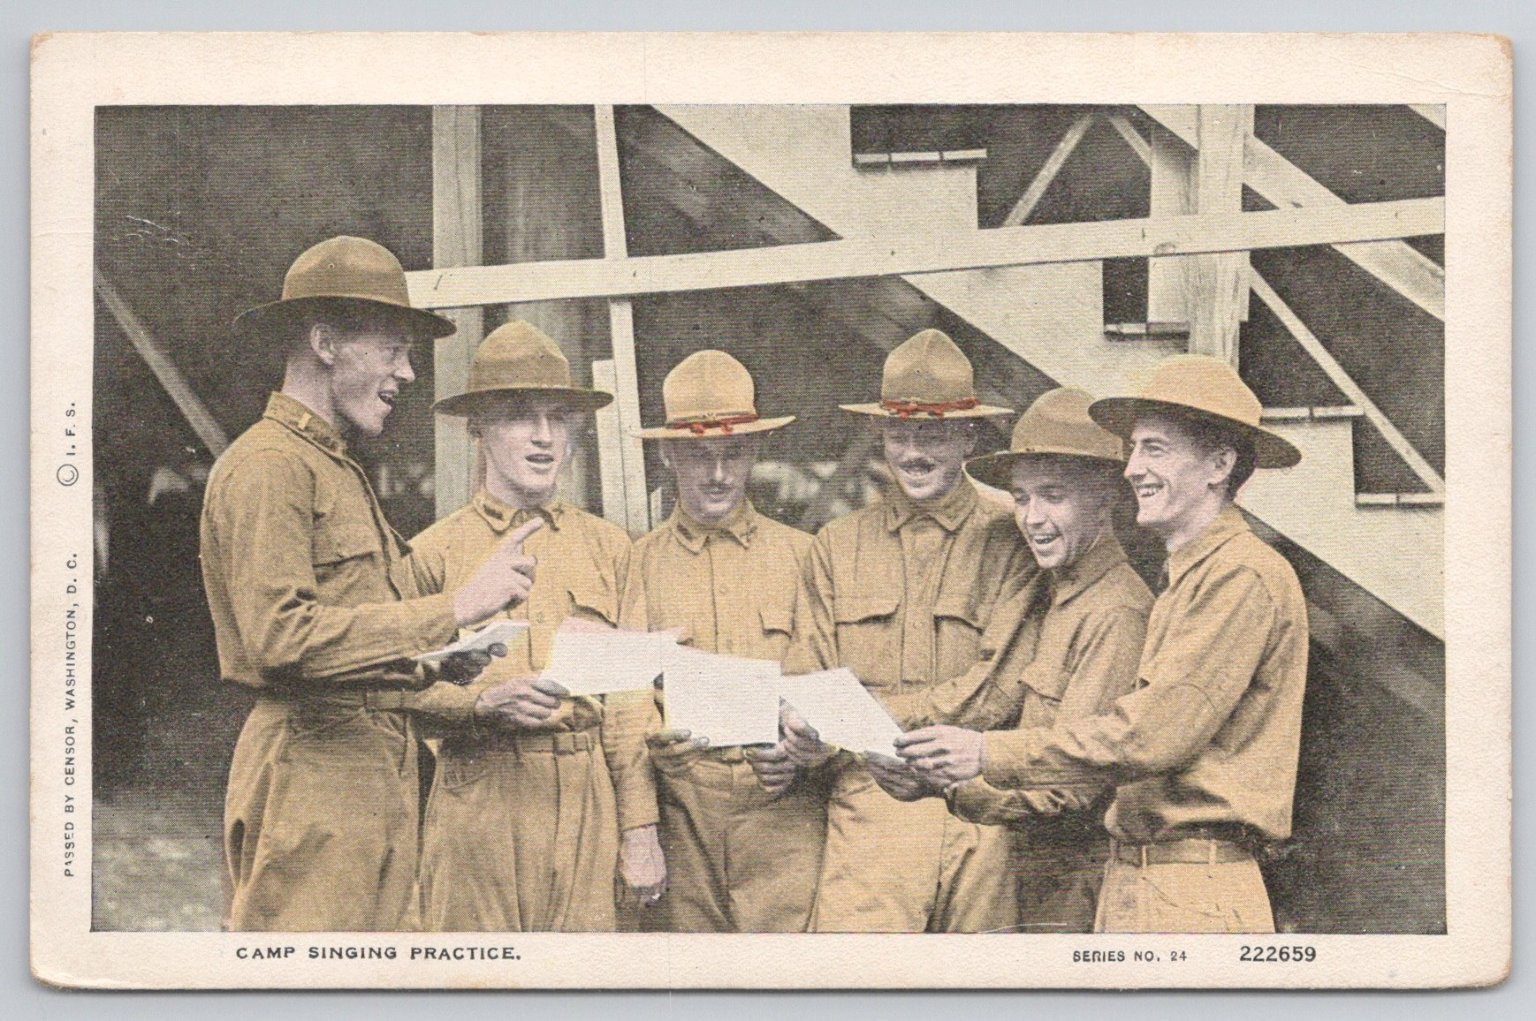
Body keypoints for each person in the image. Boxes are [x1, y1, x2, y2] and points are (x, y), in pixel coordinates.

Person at [899, 354, 1309, 933]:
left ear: (1220, 464)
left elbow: (1151, 735)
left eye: (1156, 449)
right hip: (1146, 880)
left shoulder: (1241, 575)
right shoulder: (1192, 575)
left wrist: (987, 753)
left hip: (1191, 888)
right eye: (1135, 448)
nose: (1133, 467)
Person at [202, 236, 537, 931]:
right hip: (312, 779)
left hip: (365, 778)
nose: (408, 373)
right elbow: (280, 638)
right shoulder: (270, 466)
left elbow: (352, 654)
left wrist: (453, 682)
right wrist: (454, 608)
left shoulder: (335, 469)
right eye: (393, 349)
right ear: (325, 342)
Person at [751, 328, 1035, 933]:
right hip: (869, 812)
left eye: (932, 432)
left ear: (968, 435)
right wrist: (807, 732)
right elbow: (812, 678)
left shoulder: (1015, 536)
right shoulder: (838, 545)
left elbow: (1001, 686)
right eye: (899, 433)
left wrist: (865, 716)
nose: (913, 451)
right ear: (879, 434)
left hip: (981, 815)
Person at [406, 320, 665, 931]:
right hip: (477, 795)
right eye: (520, 416)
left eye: (559, 417)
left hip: (585, 798)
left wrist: (640, 829)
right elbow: (399, 692)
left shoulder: (611, 550)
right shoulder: (430, 555)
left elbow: (630, 708)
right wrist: (480, 703)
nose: (544, 436)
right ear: (478, 428)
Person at [865, 388, 1153, 933]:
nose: (1032, 518)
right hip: (1030, 869)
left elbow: (1074, 783)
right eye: (1021, 498)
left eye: (1052, 496)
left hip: (1077, 883)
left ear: (1105, 498)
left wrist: (949, 786)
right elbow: (995, 698)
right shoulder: (1055, 592)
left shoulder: (1116, 611)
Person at [630, 350, 822, 932]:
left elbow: (832, 684)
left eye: (733, 453)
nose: (717, 474)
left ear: (755, 452)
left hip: (785, 817)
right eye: (697, 455)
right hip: (682, 814)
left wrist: (808, 754)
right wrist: (651, 740)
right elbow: (623, 700)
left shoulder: (805, 557)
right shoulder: (633, 566)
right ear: (667, 454)